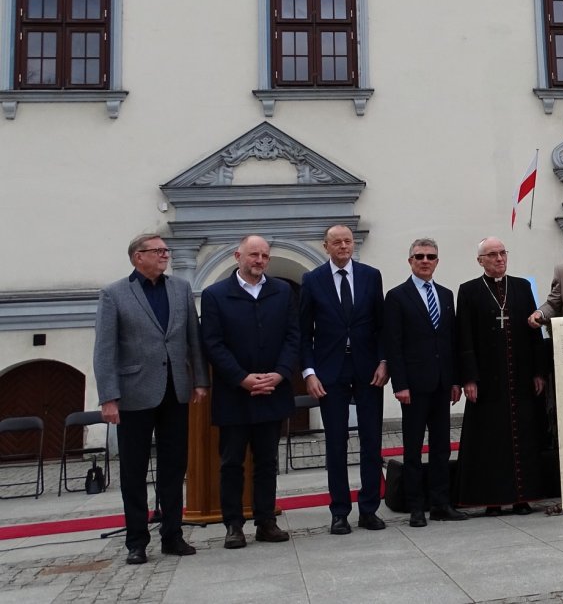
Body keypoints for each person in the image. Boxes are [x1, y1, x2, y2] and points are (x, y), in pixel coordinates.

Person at [92, 234, 208, 565]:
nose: (164, 255)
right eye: (157, 251)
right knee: (133, 470)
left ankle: (172, 535)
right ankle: (136, 541)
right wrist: (108, 398)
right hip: (133, 395)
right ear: (137, 257)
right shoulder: (114, 294)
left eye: (166, 250)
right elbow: (105, 350)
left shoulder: (180, 289)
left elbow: (193, 339)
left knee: (174, 467)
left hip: (175, 391)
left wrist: (200, 379)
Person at [200, 235, 299, 549]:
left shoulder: (282, 291)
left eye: (265, 256)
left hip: (273, 391)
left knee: (267, 461)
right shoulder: (216, 295)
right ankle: (233, 525)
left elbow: (293, 337)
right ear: (237, 256)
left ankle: (266, 521)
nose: (259, 261)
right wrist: (242, 378)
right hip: (234, 394)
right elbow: (212, 343)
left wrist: (280, 374)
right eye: (253, 255)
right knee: (231, 462)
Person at [299, 225, 389, 534]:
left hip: (368, 370)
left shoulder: (370, 275)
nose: (343, 246)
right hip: (330, 372)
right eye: (336, 242)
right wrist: (308, 373)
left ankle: (369, 508)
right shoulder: (312, 281)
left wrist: (383, 361)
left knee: (371, 441)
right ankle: (339, 511)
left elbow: (381, 325)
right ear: (326, 246)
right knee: (336, 443)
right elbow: (303, 332)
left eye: (347, 241)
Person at [456, 237, 549, 516]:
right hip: (487, 381)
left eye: (502, 253)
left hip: (520, 377)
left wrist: (538, 371)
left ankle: (522, 498)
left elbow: (535, 334)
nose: (499, 259)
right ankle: (492, 500)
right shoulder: (469, 291)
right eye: (492, 255)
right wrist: (469, 378)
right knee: (489, 441)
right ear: (480, 260)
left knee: (524, 436)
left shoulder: (521, 287)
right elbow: (465, 337)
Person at [383, 238, 468, 526]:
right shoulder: (397, 296)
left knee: (442, 447)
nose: (425, 261)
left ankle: (441, 503)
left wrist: (455, 380)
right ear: (410, 261)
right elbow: (393, 345)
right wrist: (400, 385)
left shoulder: (445, 295)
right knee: (412, 449)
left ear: (437, 261)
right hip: (414, 386)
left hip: (443, 384)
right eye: (419, 256)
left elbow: (450, 341)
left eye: (430, 256)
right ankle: (416, 507)